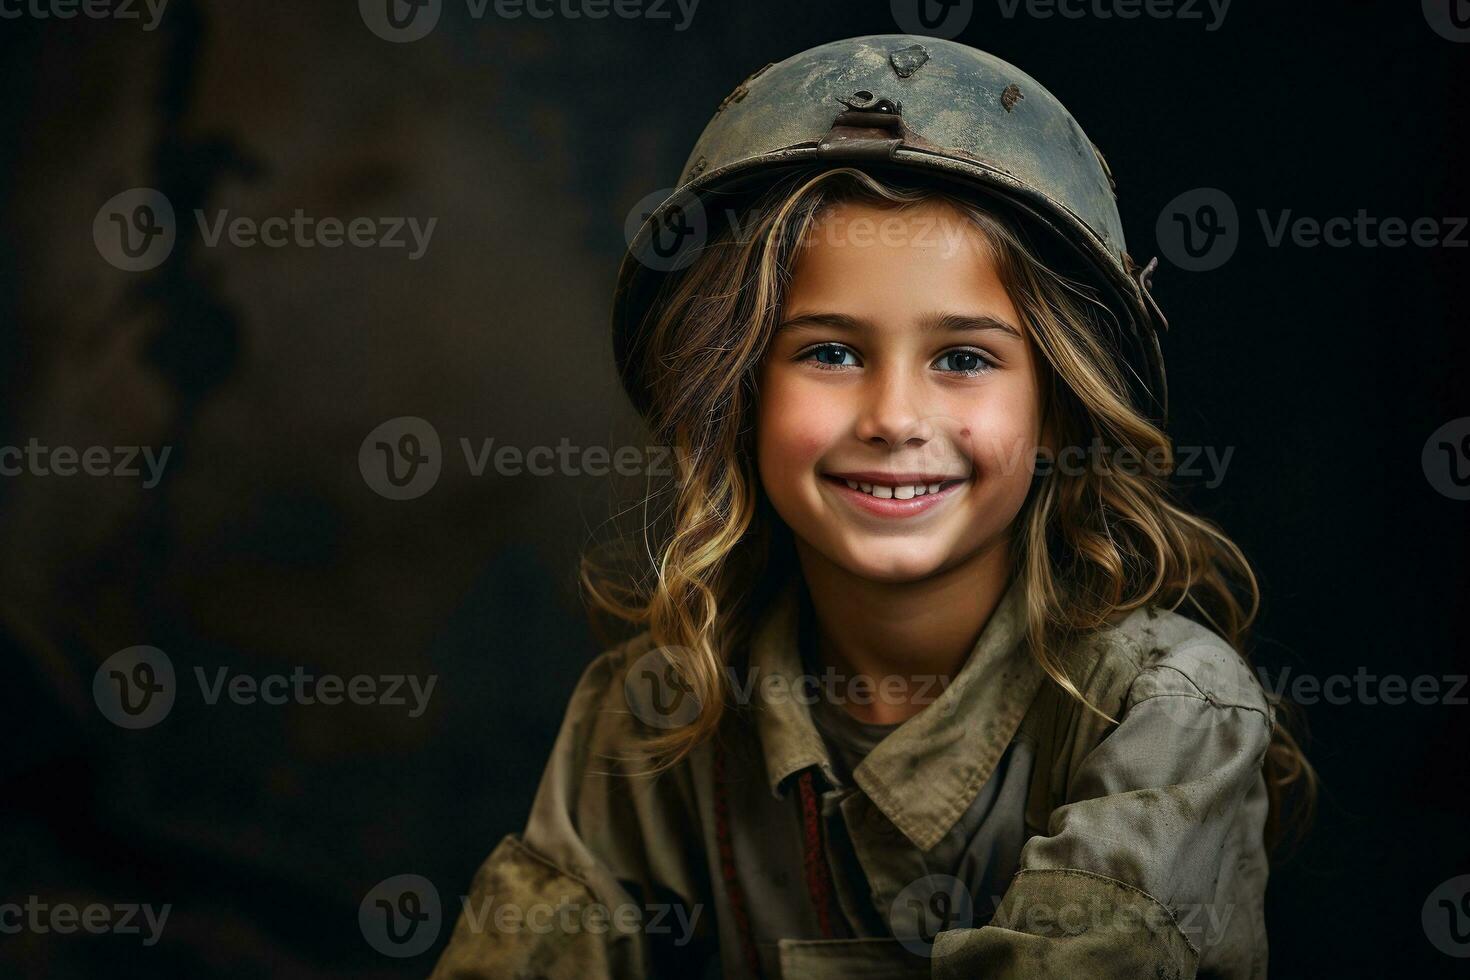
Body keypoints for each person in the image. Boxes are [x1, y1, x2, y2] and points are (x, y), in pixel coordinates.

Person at [430, 35, 1313, 979]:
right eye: (832, 353)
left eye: (964, 359)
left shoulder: (1165, 711)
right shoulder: (653, 711)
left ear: (1058, 409)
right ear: (741, 401)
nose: (894, 418)